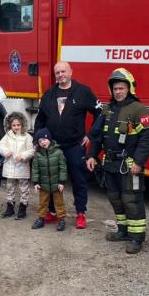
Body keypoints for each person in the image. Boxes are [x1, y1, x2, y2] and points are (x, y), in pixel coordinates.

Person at [86, 68, 149, 254]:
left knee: (131, 200)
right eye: (115, 88)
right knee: (115, 199)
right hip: (110, 164)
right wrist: (92, 155)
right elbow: (97, 136)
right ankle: (123, 231)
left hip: (129, 165)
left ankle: (136, 238)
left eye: (121, 88)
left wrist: (138, 162)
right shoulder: (107, 110)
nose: (118, 92)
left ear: (129, 88)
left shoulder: (139, 109)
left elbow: (148, 138)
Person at [34, 61, 100, 229]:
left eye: (63, 71)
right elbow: (40, 119)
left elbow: (100, 113)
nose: (60, 75)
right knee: (50, 180)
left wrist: (90, 134)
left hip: (75, 145)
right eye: (57, 73)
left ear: (71, 72)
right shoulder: (49, 94)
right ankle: (52, 212)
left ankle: (80, 213)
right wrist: (38, 141)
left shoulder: (83, 92)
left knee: (79, 180)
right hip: (53, 147)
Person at [0, 112, 34, 219]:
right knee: (10, 187)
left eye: (18, 125)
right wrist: (5, 152)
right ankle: (10, 207)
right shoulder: (8, 135)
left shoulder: (27, 136)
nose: (16, 127)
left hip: (22, 166)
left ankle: (23, 207)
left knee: (24, 188)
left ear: (22, 124)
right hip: (10, 166)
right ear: (10, 125)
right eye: (14, 125)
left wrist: (23, 155)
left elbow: (32, 150)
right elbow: (0, 146)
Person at [31, 128, 67, 231]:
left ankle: (61, 220)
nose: (43, 142)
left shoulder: (58, 152)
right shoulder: (37, 155)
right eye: (40, 141)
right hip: (43, 185)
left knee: (59, 203)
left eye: (44, 139)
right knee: (43, 203)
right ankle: (41, 219)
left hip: (57, 184)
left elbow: (63, 168)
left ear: (49, 139)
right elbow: (35, 169)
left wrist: (62, 182)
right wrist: (36, 182)